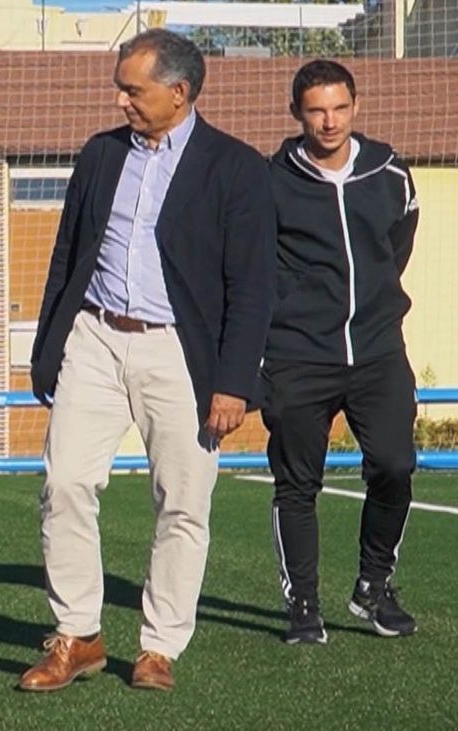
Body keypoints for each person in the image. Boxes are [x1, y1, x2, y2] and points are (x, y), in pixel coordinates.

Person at [23, 29, 275, 691]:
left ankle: (159, 647)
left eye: (133, 89)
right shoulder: (101, 154)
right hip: (96, 337)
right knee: (66, 483)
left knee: (183, 502)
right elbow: (67, 257)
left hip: (183, 354)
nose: (120, 98)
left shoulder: (237, 168)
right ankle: (77, 634)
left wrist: (233, 382)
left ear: (179, 91)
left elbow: (253, 284)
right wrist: (49, 347)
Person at [264, 60, 421, 645]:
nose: (328, 121)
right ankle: (302, 603)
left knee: (395, 466)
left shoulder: (390, 172)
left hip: (379, 349)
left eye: (339, 107)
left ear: (355, 106)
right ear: (297, 113)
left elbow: (397, 244)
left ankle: (373, 587)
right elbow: (256, 267)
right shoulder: (270, 179)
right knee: (297, 485)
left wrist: (369, 305)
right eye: (315, 110)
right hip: (298, 355)